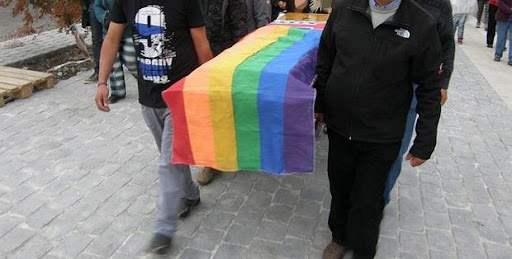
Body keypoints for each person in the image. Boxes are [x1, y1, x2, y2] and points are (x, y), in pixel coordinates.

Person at [314, 0, 443, 257]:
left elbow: (430, 87)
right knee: (339, 187)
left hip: (382, 134)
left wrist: (425, 140)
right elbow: (326, 58)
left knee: (368, 198)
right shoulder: (345, 8)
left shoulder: (421, 22)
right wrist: (320, 104)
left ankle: (363, 250)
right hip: (340, 126)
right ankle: (339, 236)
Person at [94, 0, 213, 254]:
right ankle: (190, 195)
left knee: (167, 162)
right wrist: (102, 81)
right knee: (170, 155)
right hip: (149, 97)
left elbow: (201, 44)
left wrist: (211, 89)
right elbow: (112, 38)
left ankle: (164, 228)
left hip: (181, 93)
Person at [384, 0, 455, 204]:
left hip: (412, 85)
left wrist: (443, 81)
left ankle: (378, 200)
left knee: (396, 145)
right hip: (374, 79)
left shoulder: (438, 4)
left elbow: (446, 45)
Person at [195, 0, 248, 185]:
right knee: (206, 112)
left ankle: (221, 157)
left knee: (225, 110)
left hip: (224, 61)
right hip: (198, 60)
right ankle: (211, 158)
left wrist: (235, 63)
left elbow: (239, 31)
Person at [94, 0, 138, 103]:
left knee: (131, 60)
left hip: (129, 30)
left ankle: (145, 84)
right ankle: (118, 91)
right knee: (113, 63)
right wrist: (105, 17)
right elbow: (97, 7)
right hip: (109, 29)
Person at [81, 0, 103, 83]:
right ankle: (99, 71)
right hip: (94, 4)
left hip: (111, 4)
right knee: (97, 40)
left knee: (117, 35)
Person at [493, 0, 512, 65]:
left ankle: (511, 59)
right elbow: (500, 3)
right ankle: (498, 54)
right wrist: (510, 10)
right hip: (503, 16)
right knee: (501, 37)